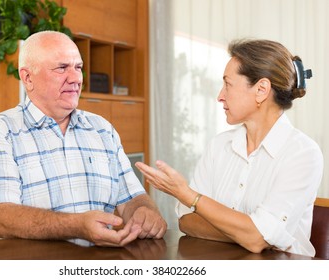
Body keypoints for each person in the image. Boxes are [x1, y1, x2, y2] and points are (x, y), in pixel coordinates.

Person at [0, 30, 167, 247]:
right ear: (27, 77)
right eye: (62, 68)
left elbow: (131, 198)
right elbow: (1, 217)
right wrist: (78, 226)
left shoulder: (102, 130)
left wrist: (144, 212)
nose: (75, 79)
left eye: (78, 67)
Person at [135, 39, 323, 257]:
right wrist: (248, 233)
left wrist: (189, 195)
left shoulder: (302, 154)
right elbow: (187, 221)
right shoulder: (219, 146)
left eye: (228, 84)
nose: (219, 96)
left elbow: (256, 238)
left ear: (261, 90)